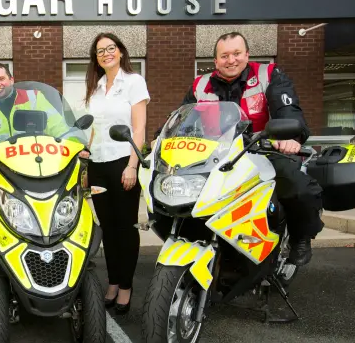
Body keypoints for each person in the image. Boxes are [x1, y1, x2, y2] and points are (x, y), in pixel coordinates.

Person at [160, 31, 323, 266]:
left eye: (236, 53)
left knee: (296, 185)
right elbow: (182, 117)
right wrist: (161, 139)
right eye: (224, 56)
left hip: (263, 149)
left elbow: (287, 107)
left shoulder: (269, 75)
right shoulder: (201, 84)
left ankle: (300, 237)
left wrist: (289, 136)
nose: (231, 60)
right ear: (215, 61)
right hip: (217, 154)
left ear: (247, 54)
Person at [0, 62, 79, 308]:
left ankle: (65, 278)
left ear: (12, 79)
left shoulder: (36, 99)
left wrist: (78, 144)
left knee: (61, 226)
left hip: (41, 175)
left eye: (1, 79)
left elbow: (61, 128)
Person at [84, 33, 150, 315]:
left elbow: (139, 129)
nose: (106, 54)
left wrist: (132, 165)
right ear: (96, 58)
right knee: (108, 228)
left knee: (125, 229)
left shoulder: (134, 83)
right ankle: (112, 282)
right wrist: (86, 166)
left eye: (111, 48)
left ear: (121, 52)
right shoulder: (96, 88)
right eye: (100, 51)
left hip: (123, 162)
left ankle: (125, 287)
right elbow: (92, 130)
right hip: (98, 165)